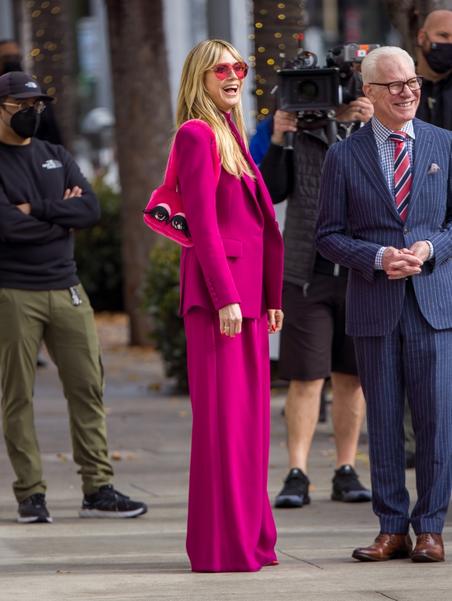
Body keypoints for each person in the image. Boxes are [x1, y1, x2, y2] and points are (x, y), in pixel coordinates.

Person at [317, 46, 452, 563]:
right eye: (394, 84)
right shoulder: (343, 155)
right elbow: (328, 236)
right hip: (375, 306)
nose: (407, 91)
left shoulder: (443, 143)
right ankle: (391, 528)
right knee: (385, 422)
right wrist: (377, 257)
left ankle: (431, 528)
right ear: (369, 92)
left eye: (411, 81)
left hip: (432, 305)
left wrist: (430, 249)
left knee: (436, 422)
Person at [0, 71, 147, 523]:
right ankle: (31, 494)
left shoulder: (56, 155)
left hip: (67, 287)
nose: (32, 113)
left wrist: (37, 210)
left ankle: (98, 489)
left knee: (87, 389)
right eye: (21, 106)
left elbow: (89, 209)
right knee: (17, 396)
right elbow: (6, 227)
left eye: (37, 106)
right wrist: (60, 218)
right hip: (12, 291)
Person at [172, 39, 284, 572]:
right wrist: (227, 298)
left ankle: (252, 539)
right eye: (221, 69)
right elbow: (202, 224)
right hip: (222, 303)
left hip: (248, 301)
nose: (234, 75)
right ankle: (221, 546)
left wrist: (270, 296)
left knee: (249, 427)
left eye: (238, 66)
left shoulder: (231, 133)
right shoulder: (196, 134)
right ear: (200, 77)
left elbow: (256, 224)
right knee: (224, 426)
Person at [257, 96, 373, 509]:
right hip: (306, 274)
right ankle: (297, 472)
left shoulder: (372, 131)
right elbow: (270, 191)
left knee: (351, 378)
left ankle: (346, 469)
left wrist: (370, 125)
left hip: (359, 272)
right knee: (306, 377)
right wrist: (279, 136)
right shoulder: (297, 130)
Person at [401, 9, 452, 469]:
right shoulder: (399, 89)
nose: (448, 45)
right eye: (443, 36)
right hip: (409, 246)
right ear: (422, 37)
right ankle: (412, 445)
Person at [0, 39, 63, 145]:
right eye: (7, 58)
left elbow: (51, 131)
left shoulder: (37, 92)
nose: (12, 61)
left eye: (16, 57)